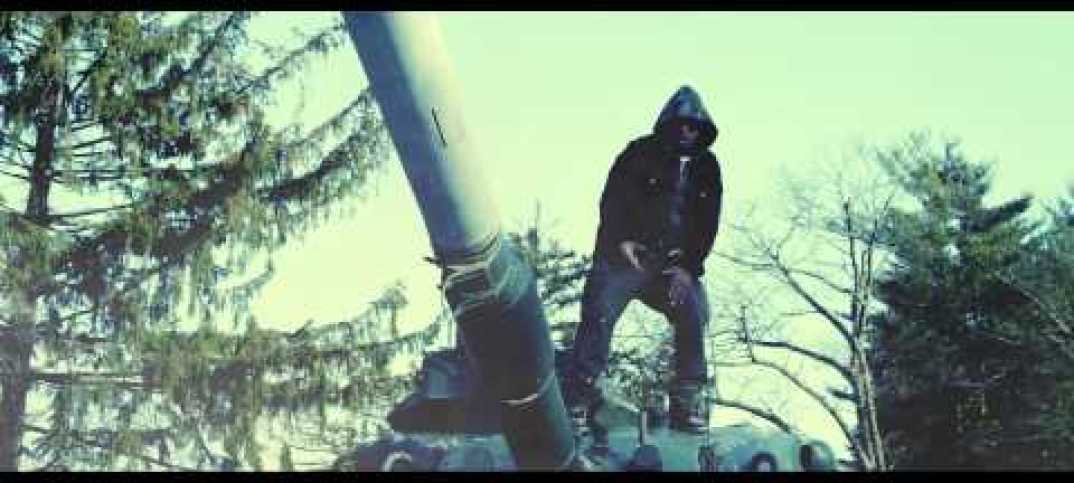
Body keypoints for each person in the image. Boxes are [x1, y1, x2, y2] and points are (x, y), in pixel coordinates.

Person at [563, 85, 723, 434]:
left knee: (694, 309)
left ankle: (686, 401)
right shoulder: (639, 152)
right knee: (600, 310)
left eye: (694, 126)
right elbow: (612, 199)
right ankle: (578, 398)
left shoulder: (707, 167)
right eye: (682, 124)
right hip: (625, 257)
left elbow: (707, 222)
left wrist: (688, 268)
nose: (687, 131)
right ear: (669, 123)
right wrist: (622, 239)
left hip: (671, 267)